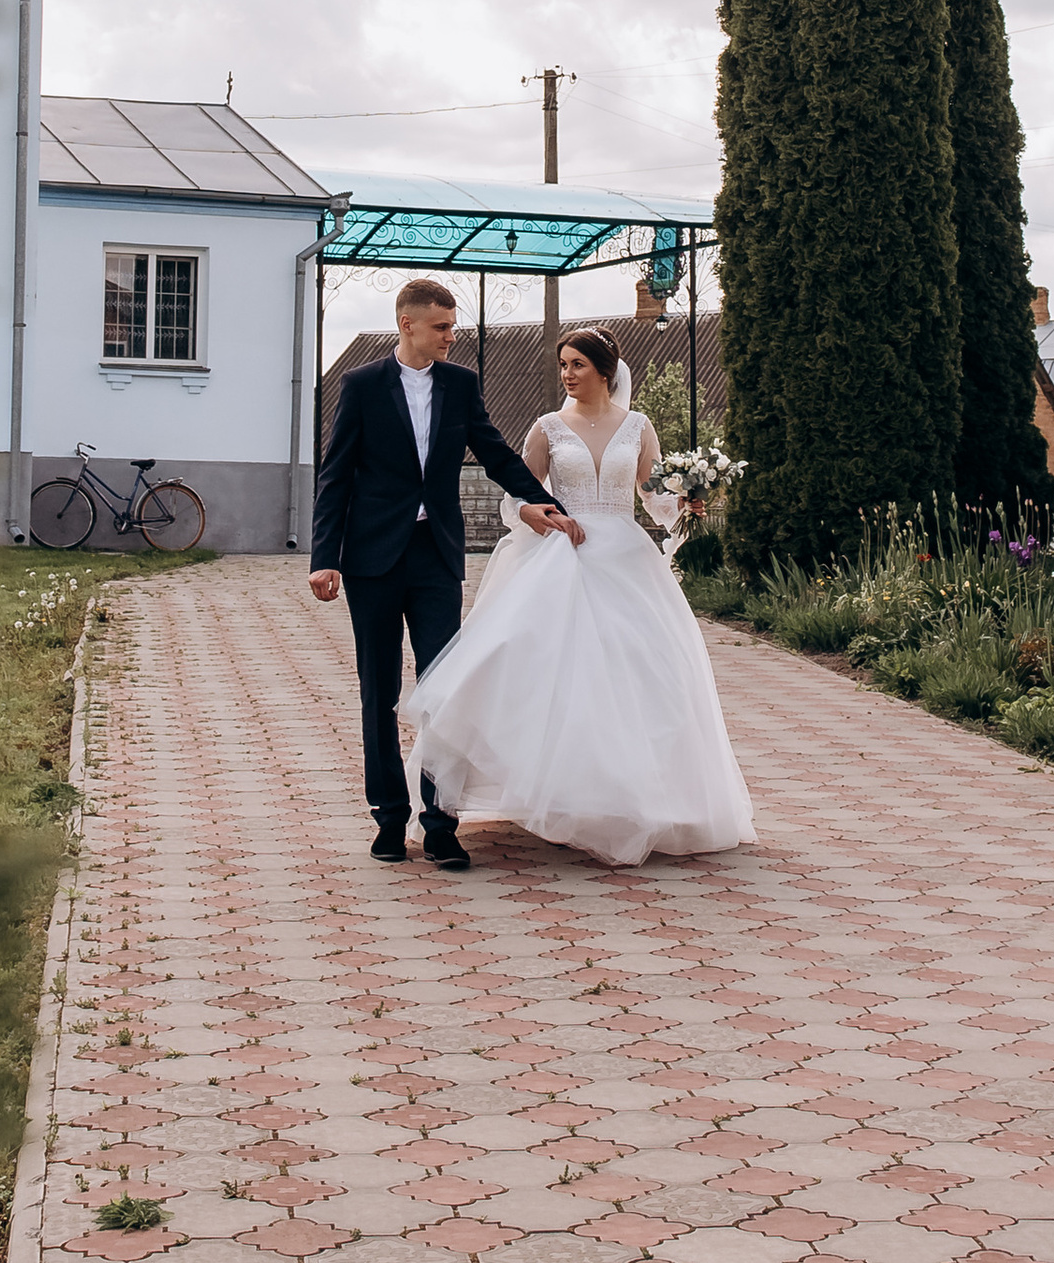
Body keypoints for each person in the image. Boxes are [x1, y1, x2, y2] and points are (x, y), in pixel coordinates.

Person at [405, 324, 756, 869]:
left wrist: (685, 505)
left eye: (577, 365)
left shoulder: (638, 427)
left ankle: (632, 800)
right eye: (563, 364)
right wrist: (531, 512)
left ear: (605, 372)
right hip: (562, 556)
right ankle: (556, 794)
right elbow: (516, 496)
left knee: (638, 677)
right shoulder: (547, 427)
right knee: (555, 674)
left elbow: (651, 496)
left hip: (627, 561)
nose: (567, 374)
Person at [309, 277, 583, 867]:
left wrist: (546, 504)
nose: (450, 336)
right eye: (441, 327)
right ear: (407, 324)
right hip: (372, 560)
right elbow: (336, 475)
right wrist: (324, 556)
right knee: (379, 691)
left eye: (452, 327)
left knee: (445, 690)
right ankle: (389, 817)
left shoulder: (461, 384)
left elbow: (495, 451)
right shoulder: (361, 386)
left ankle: (440, 824)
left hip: (436, 557)